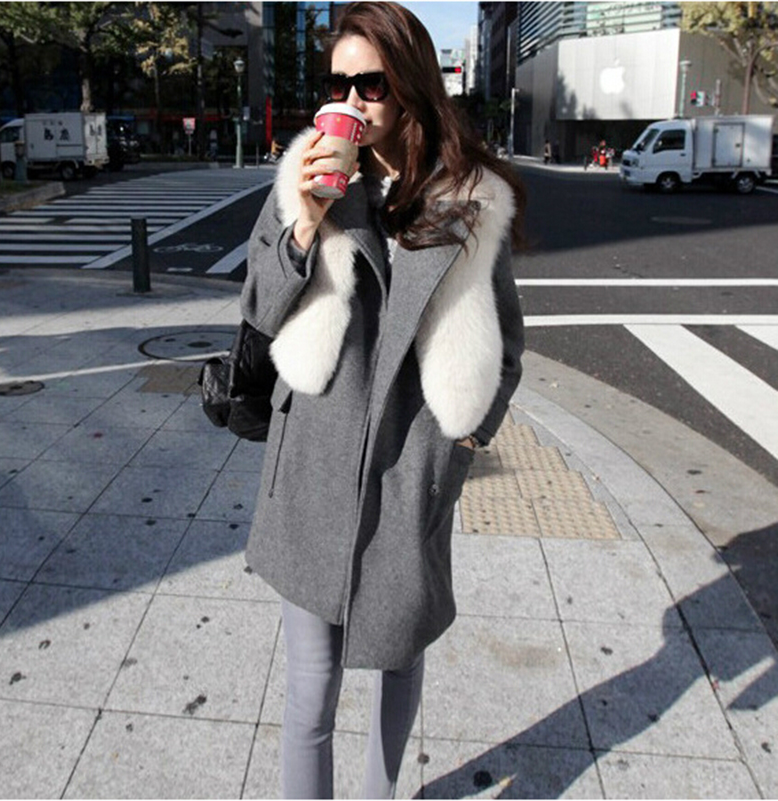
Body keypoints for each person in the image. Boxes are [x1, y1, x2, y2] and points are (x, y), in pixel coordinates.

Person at [239, 3, 525, 797]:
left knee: (399, 658)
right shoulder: (305, 180)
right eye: (337, 84)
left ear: (409, 85)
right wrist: (305, 225)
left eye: (368, 84)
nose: (350, 103)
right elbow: (258, 308)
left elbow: (506, 344)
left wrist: (461, 445)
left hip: (409, 470)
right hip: (314, 461)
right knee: (310, 693)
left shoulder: (466, 200)